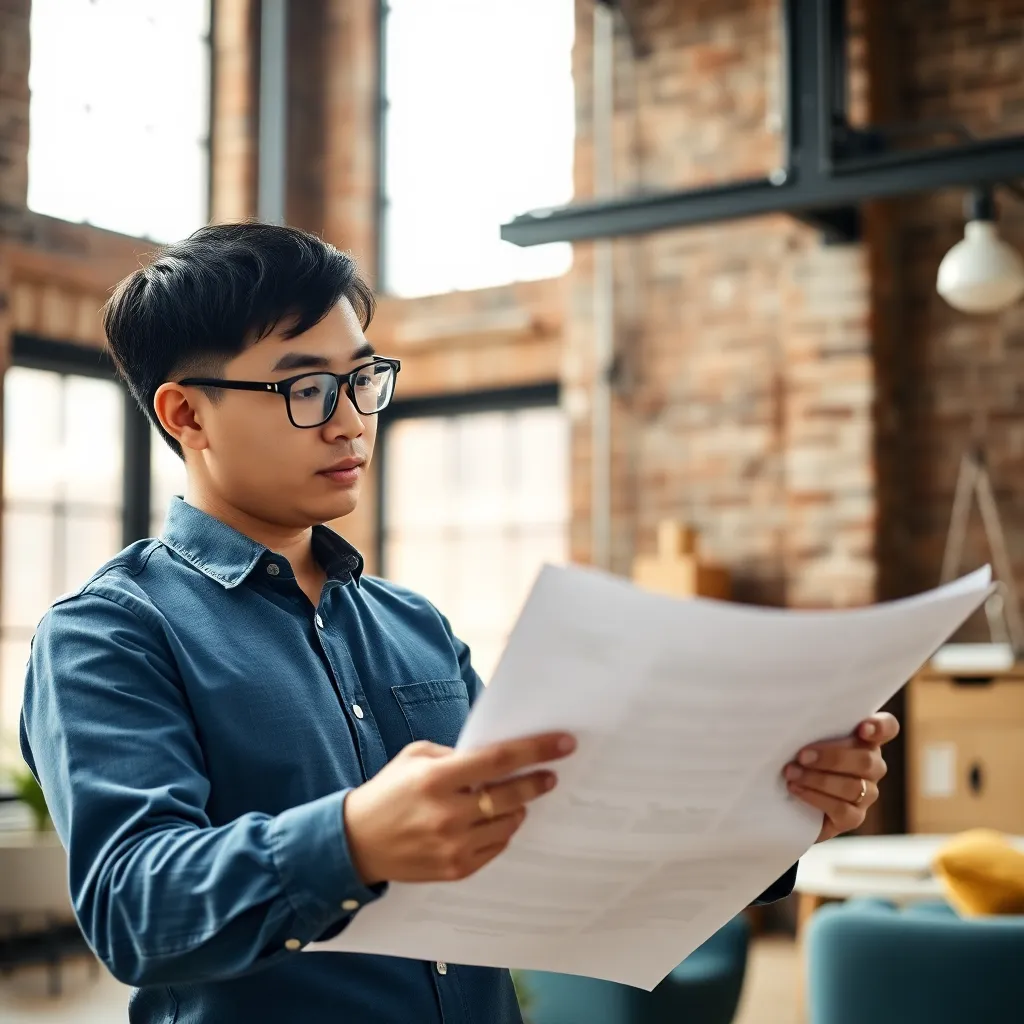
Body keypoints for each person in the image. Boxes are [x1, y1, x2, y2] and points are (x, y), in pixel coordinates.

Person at [19, 223, 899, 1024]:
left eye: (363, 380)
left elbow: (552, 857)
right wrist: (354, 838)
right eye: (309, 390)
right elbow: (133, 909)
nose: (353, 422)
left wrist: (770, 816)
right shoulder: (109, 635)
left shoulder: (413, 624)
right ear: (186, 414)